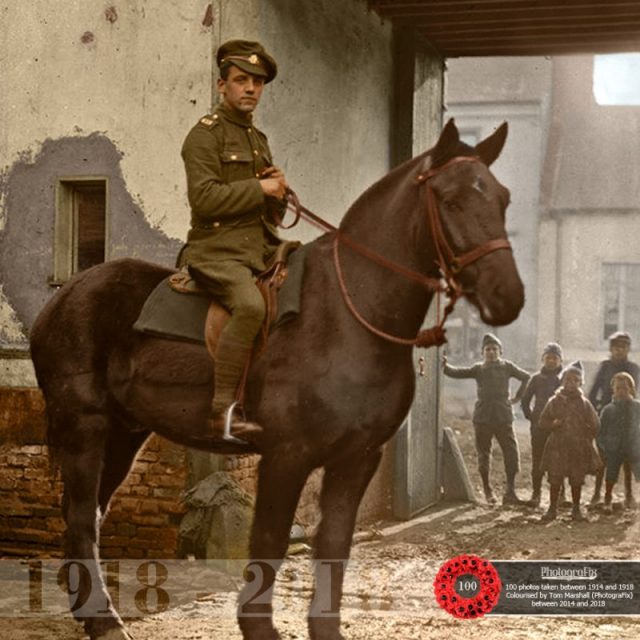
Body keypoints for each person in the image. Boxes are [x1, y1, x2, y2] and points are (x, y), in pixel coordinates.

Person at [176, 40, 288, 443]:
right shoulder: (204, 136)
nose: (251, 89)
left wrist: (280, 194)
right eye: (241, 80)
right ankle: (222, 411)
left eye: (258, 82)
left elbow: (264, 209)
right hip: (217, 250)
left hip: (257, 247)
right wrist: (261, 187)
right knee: (250, 305)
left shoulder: (258, 139)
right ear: (221, 84)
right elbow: (204, 199)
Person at [442, 333, 530, 505]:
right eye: (488, 349)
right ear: (482, 352)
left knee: (511, 452)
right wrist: (444, 364)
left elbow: (526, 377)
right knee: (484, 454)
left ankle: (510, 492)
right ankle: (487, 490)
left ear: (500, 351)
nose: (491, 352)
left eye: (494, 349)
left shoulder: (507, 367)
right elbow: (456, 372)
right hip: (483, 417)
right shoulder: (478, 369)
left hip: (503, 416)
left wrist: (518, 397)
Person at [538, 361, 601, 522]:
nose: (570, 383)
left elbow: (595, 424)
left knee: (576, 478)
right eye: (567, 379)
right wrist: (553, 424)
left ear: (581, 383)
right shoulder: (554, 401)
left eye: (575, 380)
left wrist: (586, 435)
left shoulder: (584, 403)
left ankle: (576, 509)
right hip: (557, 446)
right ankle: (552, 508)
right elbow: (542, 421)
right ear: (562, 381)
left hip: (577, 447)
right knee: (555, 477)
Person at [588, 331, 640, 505]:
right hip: (607, 414)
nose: (620, 351)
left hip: (627, 415)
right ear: (611, 349)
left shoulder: (633, 368)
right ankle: (597, 494)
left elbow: (635, 393)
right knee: (604, 456)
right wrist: (593, 411)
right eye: (616, 347)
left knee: (627, 458)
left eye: (623, 347)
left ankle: (629, 494)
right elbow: (594, 391)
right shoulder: (605, 366)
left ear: (628, 349)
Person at [520, 342, 564, 507]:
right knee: (538, 458)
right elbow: (525, 401)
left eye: (555, 358)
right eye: (548, 358)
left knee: (559, 459)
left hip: (558, 426)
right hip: (539, 426)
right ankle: (536, 493)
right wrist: (531, 417)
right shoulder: (536, 378)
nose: (551, 361)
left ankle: (561, 493)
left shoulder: (564, 379)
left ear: (560, 360)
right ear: (542, 359)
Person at [597, 372, 640, 514]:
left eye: (625, 389)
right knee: (611, 475)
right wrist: (603, 448)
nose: (622, 392)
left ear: (631, 390)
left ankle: (630, 497)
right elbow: (600, 431)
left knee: (637, 472)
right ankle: (607, 499)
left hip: (633, 447)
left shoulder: (637, 407)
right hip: (614, 448)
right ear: (613, 390)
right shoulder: (608, 410)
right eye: (618, 388)